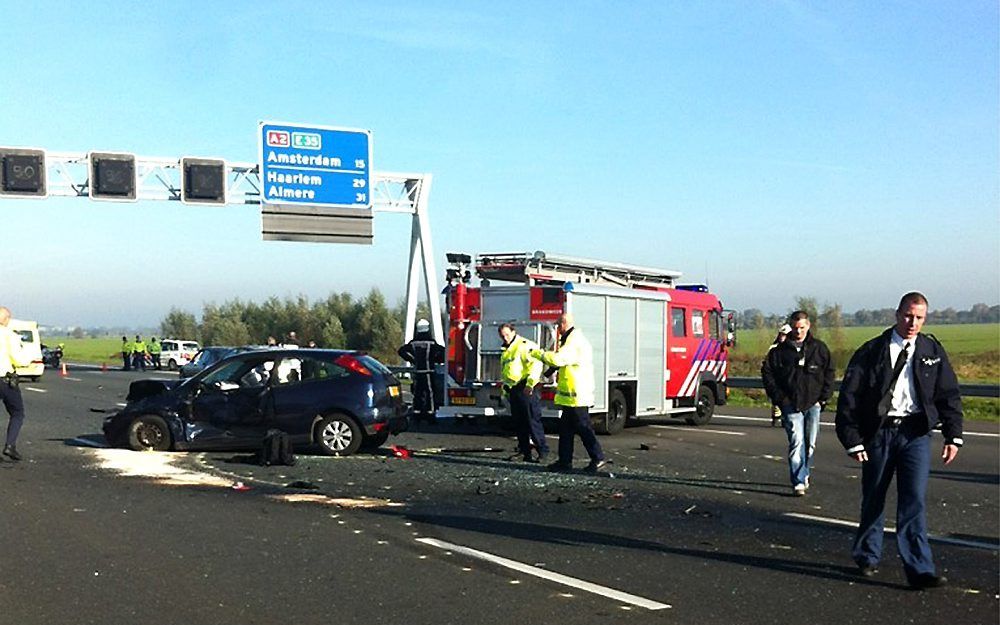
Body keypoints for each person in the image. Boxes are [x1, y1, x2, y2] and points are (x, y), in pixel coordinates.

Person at [835, 292, 963, 589]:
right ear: (897, 314)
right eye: (908, 315)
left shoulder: (932, 350)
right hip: (879, 433)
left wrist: (953, 436)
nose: (912, 323)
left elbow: (948, 395)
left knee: (913, 501)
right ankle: (867, 555)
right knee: (874, 497)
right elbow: (849, 398)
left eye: (919, 317)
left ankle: (919, 569)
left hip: (915, 433)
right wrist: (852, 440)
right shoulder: (871, 351)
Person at [761, 311, 834, 495]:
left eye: (802, 327)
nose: (798, 331)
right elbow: (768, 374)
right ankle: (798, 480)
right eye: (795, 328)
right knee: (796, 441)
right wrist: (780, 399)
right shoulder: (779, 352)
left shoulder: (819, 349)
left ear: (808, 326)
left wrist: (823, 398)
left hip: (813, 403)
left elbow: (829, 373)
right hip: (789, 404)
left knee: (810, 443)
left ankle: (804, 470)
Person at [531, 313, 607, 473]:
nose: (557, 329)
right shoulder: (572, 340)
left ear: (563, 324)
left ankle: (597, 457)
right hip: (572, 396)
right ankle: (565, 461)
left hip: (577, 395)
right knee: (566, 430)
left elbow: (559, 360)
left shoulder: (574, 342)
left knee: (583, 428)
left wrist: (539, 353)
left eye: (558, 326)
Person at [498, 323, 549, 463]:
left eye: (507, 334)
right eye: (502, 336)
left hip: (525, 387)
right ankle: (524, 451)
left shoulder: (524, 345)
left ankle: (542, 450)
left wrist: (530, 384)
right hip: (514, 389)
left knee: (532, 420)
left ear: (514, 332)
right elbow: (507, 372)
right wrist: (505, 389)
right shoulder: (506, 350)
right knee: (519, 423)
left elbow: (535, 365)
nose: (505, 338)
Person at [397, 319, 445, 424]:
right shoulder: (431, 342)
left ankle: (416, 414)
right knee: (430, 393)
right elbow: (442, 352)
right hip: (429, 371)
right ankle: (430, 414)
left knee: (417, 393)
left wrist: (412, 360)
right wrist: (436, 359)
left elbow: (401, 351)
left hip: (417, 372)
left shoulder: (414, 343)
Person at [0, 306, 32, 461]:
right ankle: (10, 445)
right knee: (17, 413)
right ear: (6, 319)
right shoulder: (9, 335)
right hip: (4, 380)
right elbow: (19, 359)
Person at [767, 324, 792, 427]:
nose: (782, 337)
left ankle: (784, 417)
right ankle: (776, 416)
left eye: (785, 335)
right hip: (776, 377)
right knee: (776, 399)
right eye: (781, 334)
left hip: (787, 378)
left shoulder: (792, 348)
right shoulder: (773, 348)